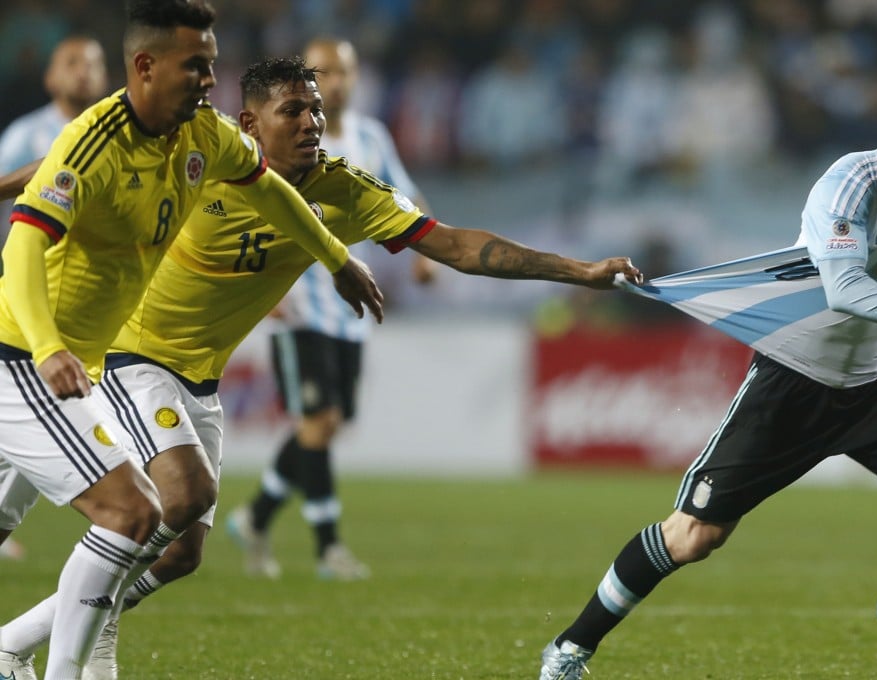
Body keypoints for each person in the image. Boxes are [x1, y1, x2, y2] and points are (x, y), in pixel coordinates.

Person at [0, 54, 642, 679]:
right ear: (250, 125)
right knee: (180, 496)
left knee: (180, 553)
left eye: (316, 109)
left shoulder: (344, 187)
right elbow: (70, 166)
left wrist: (579, 272)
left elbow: (455, 246)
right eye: (293, 111)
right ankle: (77, 640)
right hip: (129, 355)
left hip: (201, 377)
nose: (312, 121)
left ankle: (13, 644)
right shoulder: (204, 158)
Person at [538, 64, 877, 680]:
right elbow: (844, 290)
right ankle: (570, 649)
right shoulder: (845, 188)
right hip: (792, 378)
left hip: (869, 383)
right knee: (694, 537)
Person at [0, 0, 383, 677]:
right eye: (196, 66)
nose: (210, 79)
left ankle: (10, 651)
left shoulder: (199, 134)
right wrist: (46, 345)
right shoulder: (92, 142)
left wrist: (335, 255)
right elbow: (26, 247)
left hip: (69, 362)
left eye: (211, 64)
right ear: (145, 66)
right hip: (25, 358)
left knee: (140, 518)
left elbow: (268, 190)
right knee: (131, 511)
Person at [225, 37, 434, 582]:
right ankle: (328, 548)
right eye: (327, 73)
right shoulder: (271, 145)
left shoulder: (370, 137)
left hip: (349, 304)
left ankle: (257, 515)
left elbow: (405, 194)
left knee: (329, 422)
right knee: (318, 421)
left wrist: (422, 256)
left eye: (344, 73)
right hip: (299, 304)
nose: (336, 83)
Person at [0, 35, 108, 251]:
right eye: (71, 63)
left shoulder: (115, 132)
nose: (82, 72)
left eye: (92, 65)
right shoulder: (24, 134)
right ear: (50, 78)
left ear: (105, 78)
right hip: (31, 258)